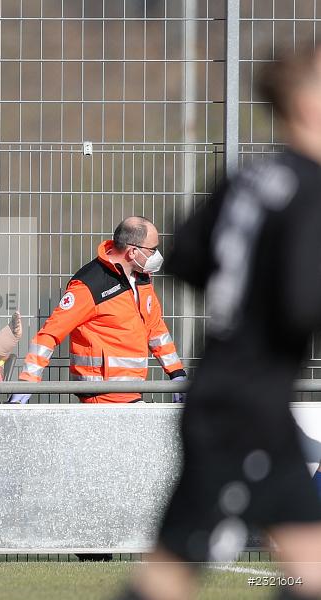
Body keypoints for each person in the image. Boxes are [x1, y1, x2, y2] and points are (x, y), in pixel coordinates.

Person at [117, 47, 321, 600]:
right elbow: (302, 300)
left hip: (242, 396)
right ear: (306, 103)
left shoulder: (249, 177)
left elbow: (185, 259)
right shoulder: (310, 187)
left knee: (312, 565)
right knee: (169, 572)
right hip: (245, 409)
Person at [9, 216, 186, 404]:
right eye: (152, 250)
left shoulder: (142, 278)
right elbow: (49, 335)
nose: (157, 255)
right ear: (133, 251)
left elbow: (156, 329)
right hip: (101, 399)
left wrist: (177, 374)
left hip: (132, 395)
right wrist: (27, 382)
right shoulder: (89, 285)